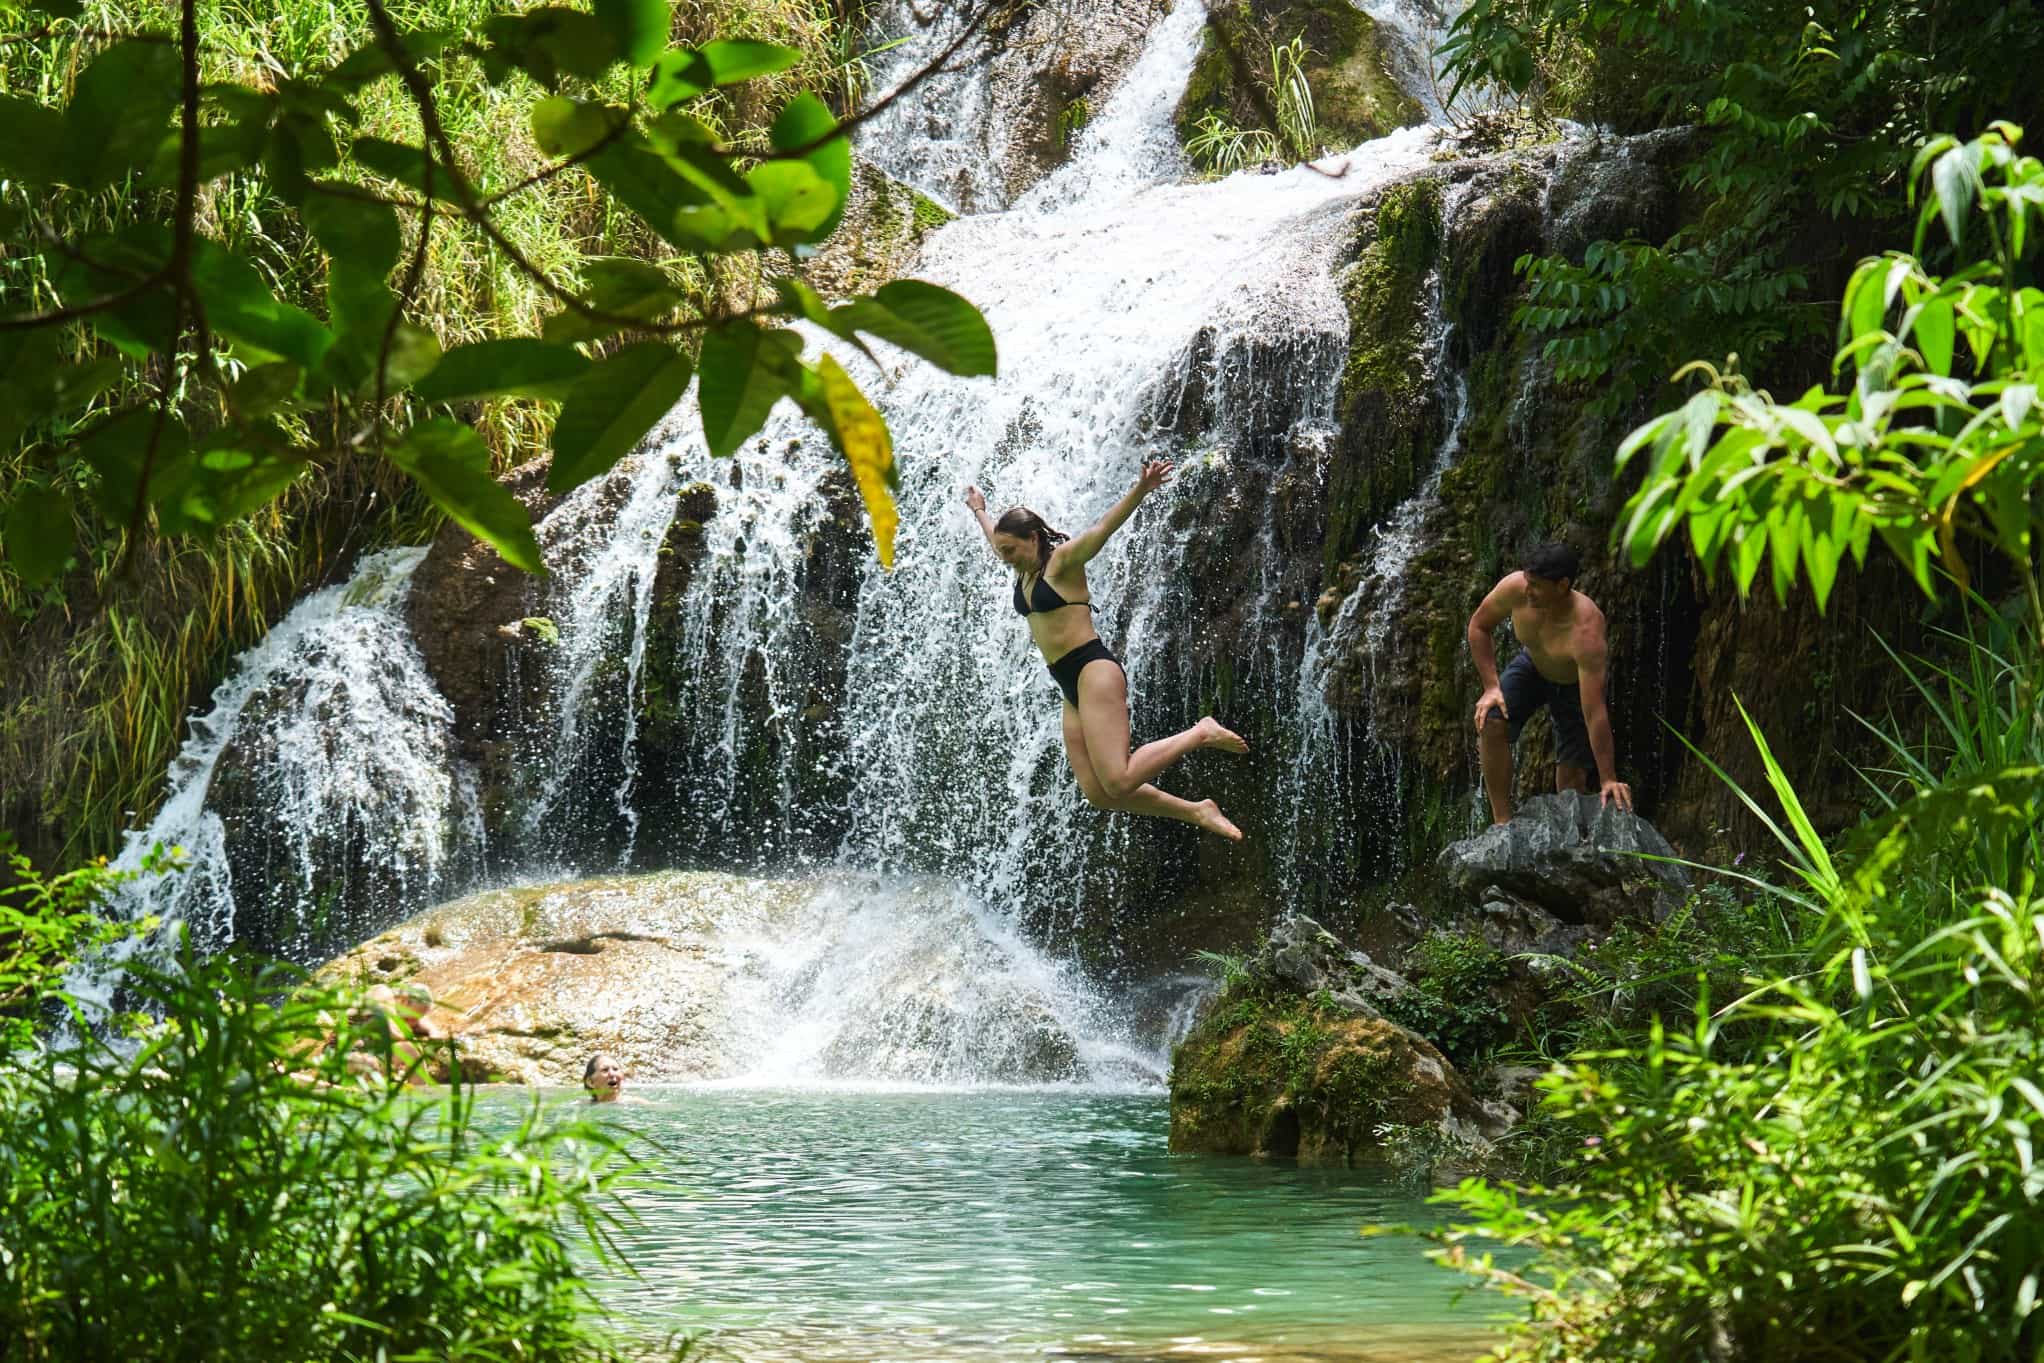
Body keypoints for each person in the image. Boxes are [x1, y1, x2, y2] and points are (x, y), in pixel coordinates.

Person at [963, 461, 1248, 841]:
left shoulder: (1062, 561)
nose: (1005, 558)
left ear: (1032, 538)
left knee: (1119, 778)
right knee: (1099, 793)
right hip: (1068, 684)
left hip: (1092, 669)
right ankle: (1197, 811)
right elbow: (996, 542)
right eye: (1002, 552)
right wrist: (980, 510)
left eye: (1010, 550)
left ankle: (1201, 732)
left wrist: (1141, 489)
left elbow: (1101, 529)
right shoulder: (1022, 569)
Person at [1466, 541, 1634, 825]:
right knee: (1491, 719)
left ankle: (1568, 837)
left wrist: (1608, 778)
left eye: (1535, 585)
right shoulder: (1515, 588)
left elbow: (1595, 712)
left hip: (1572, 684)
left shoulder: (1586, 629)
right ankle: (1502, 823)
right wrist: (1491, 687)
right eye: (1527, 581)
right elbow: (1478, 626)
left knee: (1572, 781)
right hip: (1531, 665)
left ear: (1562, 585)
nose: (1527, 590)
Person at [582, 1053, 649, 1104]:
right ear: (590, 1082)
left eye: (615, 1069)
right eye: (605, 1070)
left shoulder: (637, 1103)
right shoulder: (582, 1106)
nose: (612, 1074)